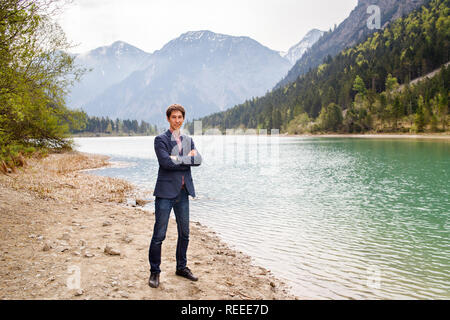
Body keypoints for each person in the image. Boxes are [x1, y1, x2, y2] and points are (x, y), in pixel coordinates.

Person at [148, 104, 202, 288]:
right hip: (165, 193)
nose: (177, 120)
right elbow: (165, 163)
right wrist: (187, 160)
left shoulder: (188, 139)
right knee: (159, 235)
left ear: (183, 119)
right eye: (174, 117)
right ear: (168, 119)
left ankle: (181, 267)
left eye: (180, 117)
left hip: (183, 192)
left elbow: (198, 160)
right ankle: (155, 272)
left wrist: (178, 159)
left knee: (185, 233)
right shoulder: (160, 139)